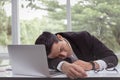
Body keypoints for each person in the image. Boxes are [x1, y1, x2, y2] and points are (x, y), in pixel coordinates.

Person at [35, 31, 118, 79]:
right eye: (58, 56)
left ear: (60, 37)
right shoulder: (47, 52)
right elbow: (47, 61)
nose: (64, 55)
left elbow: (112, 58)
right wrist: (62, 65)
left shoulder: (84, 38)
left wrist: (91, 65)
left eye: (61, 49)